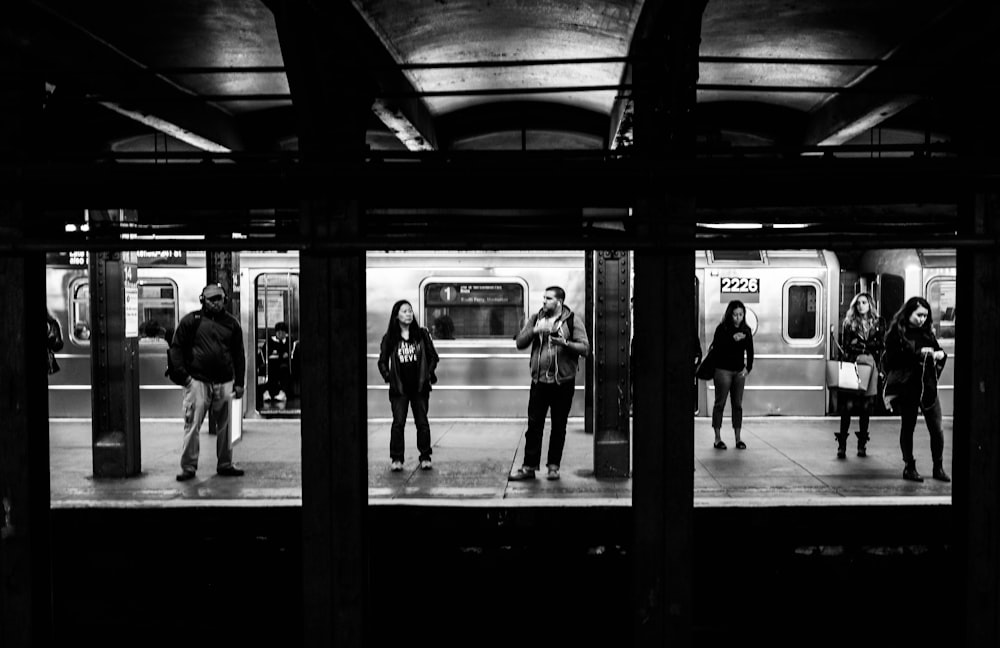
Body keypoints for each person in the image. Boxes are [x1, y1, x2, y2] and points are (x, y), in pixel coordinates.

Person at [509, 286, 590, 481]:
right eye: (543, 297)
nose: (544, 301)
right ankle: (529, 467)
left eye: (548, 299)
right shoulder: (537, 318)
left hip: (563, 383)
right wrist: (536, 330)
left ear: (559, 302)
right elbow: (520, 342)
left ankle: (553, 467)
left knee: (558, 426)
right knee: (534, 425)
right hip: (540, 382)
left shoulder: (572, 320)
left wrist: (565, 344)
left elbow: (585, 348)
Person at [167, 283, 246, 482]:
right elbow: (176, 349)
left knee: (227, 427)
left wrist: (240, 383)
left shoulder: (232, 324)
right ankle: (188, 467)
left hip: (225, 381)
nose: (216, 303)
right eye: (212, 299)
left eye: (219, 299)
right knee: (192, 425)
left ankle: (225, 464)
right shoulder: (191, 321)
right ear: (203, 301)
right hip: (198, 381)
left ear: (224, 300)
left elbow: (239, 355)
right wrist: (185, 377)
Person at [882, 296, 949, 482]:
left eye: (925, 316)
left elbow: (939, 350)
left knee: (937, 428)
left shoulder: (927, 333)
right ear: (908, 313)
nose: (922, 319)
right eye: (919, 315)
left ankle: (938, 466)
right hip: (907, 387)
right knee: (908, 427)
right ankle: (909, 466)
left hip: (927, 387)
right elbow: (893, 360)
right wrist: (918, 355)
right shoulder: (896, 334)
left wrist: (940, 354)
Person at [377, 299, 439, 472]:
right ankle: (397, 458)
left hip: (419, 387)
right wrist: (389, 377)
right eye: (404, 311)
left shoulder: (422, 334)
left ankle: (425, 456)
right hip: (400, 389)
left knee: (422, 422)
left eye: (410, 311)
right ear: (396, 315)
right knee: (398, 423)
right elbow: (382, 362)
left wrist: (427, 375)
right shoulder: (390, 338)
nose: (409, 314)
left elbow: (433, 356)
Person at [835, 293, 885, 459]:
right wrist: (867, 346)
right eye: (858, 304)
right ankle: (842, 445)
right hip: (853, 365)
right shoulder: (849, 323)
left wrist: (862, 345)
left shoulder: (879, 322)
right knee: (847, 407)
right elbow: (848, 346)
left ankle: (861, 445)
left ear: (870, 304)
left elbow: (880, 344)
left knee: (866, 407)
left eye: (864, 303)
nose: (861, 306)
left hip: (871, 366)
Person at [710, 300, 754, 450]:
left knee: (737, 405)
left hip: (739, 372)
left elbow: (750, 350)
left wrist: (748, 368)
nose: (738, 318)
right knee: (720, 403)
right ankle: (717, 438)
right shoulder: (722, 329)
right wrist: (732, 339)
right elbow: (717, 348)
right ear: (730, 315)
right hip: (722, 370)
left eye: (741, 314)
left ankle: (738, 438)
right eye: (735, 315)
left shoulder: (746, 331)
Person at [263, 321, 293, 402]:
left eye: (282, 331)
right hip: (271, 363)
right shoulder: (270, 341)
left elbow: (290, 354)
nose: (279, 333)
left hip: (284, 364)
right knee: (270, 369)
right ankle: (268, 392)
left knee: (283, 369)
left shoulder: (289, 342)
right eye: (278, 331)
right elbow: (265, 353)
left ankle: (283, 392)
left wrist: (278, 354)